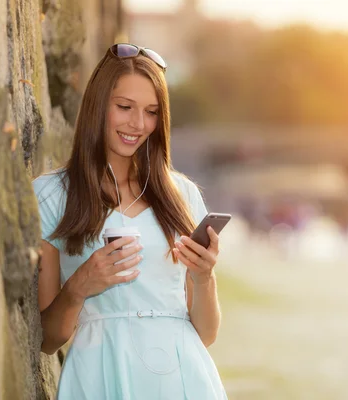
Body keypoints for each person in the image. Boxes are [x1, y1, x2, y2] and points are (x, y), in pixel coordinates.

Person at [32, 44, 227, 399]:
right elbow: (47, 340)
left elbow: (206, 333)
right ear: (97, 105)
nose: (138, 124)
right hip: (99, 373)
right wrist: (79, 286)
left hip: (183, 377)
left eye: (151, 112)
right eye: (124, 107)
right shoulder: (50, 195)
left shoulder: (181, 195)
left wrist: (204, 277)